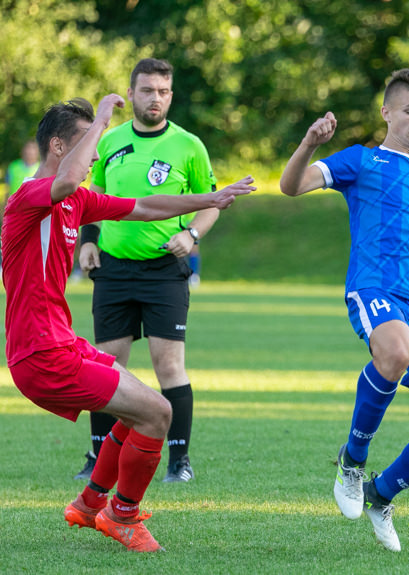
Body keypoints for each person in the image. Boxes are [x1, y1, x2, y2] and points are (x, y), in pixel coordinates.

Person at [2, 94, 253, 552]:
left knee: (144, 407)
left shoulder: (75, 201)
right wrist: (101, 118)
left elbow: (146, 206)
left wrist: (211, 199)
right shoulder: (27, 198)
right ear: (58, 146)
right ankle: (121, 516)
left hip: (62, 343)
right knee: (159, 414)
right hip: (41, 355)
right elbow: (68, 177)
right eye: (89, 141)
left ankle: (89, 502)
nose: (97, 152)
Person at [279, 69, 409, 552]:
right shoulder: (361, 161)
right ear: (387, 112)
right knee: (394, 351)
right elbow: (291, 186)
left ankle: (381, 491)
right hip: (375, 288)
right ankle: (352, 460)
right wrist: (309, 143)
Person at [75, 58, 219, 483]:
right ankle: (98, 455)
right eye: (147, 90)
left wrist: (191, 236)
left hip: (164, 271)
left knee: (168, 365)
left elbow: (210, 203)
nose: (155, 98)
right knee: (106, 364)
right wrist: (87, 241)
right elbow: (93, 194)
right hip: (113, 268)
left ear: (170, 95)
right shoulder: (111, 140)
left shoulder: (189, 145)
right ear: (132, 93)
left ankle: (179, 461)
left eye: (163, 91)